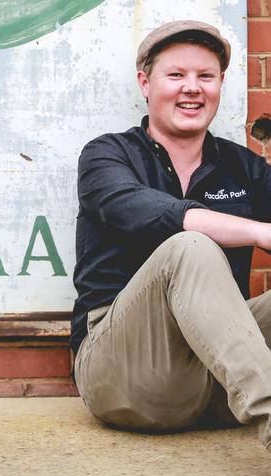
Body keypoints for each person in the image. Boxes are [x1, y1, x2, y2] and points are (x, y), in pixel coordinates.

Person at [72, 19, 271, 449]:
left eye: (206, 76)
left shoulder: (245, 168)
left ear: (220, 85)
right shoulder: (107, 156)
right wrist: (258, 231)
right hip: (127, 373)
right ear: (145, 83)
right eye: (176, 75)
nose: (192, 88)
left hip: (214, 374)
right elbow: (166, 218)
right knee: (190, 245)